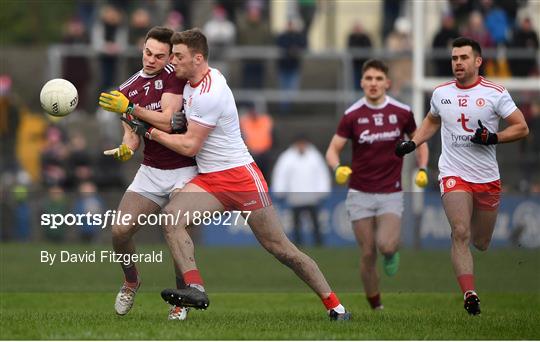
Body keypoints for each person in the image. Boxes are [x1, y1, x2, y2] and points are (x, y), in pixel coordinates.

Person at [121, 28, 350, 320]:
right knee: (171, 218)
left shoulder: (210, 92)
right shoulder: (189, 79)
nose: (172, 62)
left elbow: (190, 145)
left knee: (280, 248)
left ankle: (335, 305)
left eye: (178, 57)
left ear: (198, 58)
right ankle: (195, 288)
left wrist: (148, 130)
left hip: (240, 177)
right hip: (211, 179)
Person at [395, 37, 529, 315]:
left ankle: (472, 279)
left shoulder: (496, 93)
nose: (458, 63)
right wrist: (414, 142)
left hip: (487, 177)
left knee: (480, 242)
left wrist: (493, 137)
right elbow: (432, 120)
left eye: (463, 58)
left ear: (477, 61)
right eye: (454, 58)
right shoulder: (441, 93)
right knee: (460, 232)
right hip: (453, 173)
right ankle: (470, 294)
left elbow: (521, 127)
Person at [97, 26, 197, 321]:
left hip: (184, 169)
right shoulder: (126, 89)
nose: (151, 60)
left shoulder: (174, 76)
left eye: (159, 55)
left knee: (178, 232)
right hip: (152, 171)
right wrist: (126, 147)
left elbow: (168, 122)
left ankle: (181, 299)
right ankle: (131, 281)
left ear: (169, 56)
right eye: (147, 52)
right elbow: (131, 134)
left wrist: (131, 108)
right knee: (119, 231)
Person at [325, 59, 429, 311]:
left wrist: (423, 167)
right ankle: (376, 306)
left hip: (390, 191)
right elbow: (332, 150)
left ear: (387, 83)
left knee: (385, 245)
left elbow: (420, 141)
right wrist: (338, 168)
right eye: (369, 79)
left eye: (378, 79)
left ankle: (392, 252)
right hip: (359, 192)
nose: (373, 83)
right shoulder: (352, 115)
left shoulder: (402, 112)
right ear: (361, 83)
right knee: (368, 253)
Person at [272, 135, 331, 246]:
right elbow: (281, 175)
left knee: (315, 223)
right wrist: (280, 190)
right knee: (296, 223)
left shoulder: (314, 156)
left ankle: (319, 243)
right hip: (295, 197)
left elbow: (322, 175)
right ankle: (298, 244)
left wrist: (323, 191)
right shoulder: (287, 157)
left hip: (311, 197)